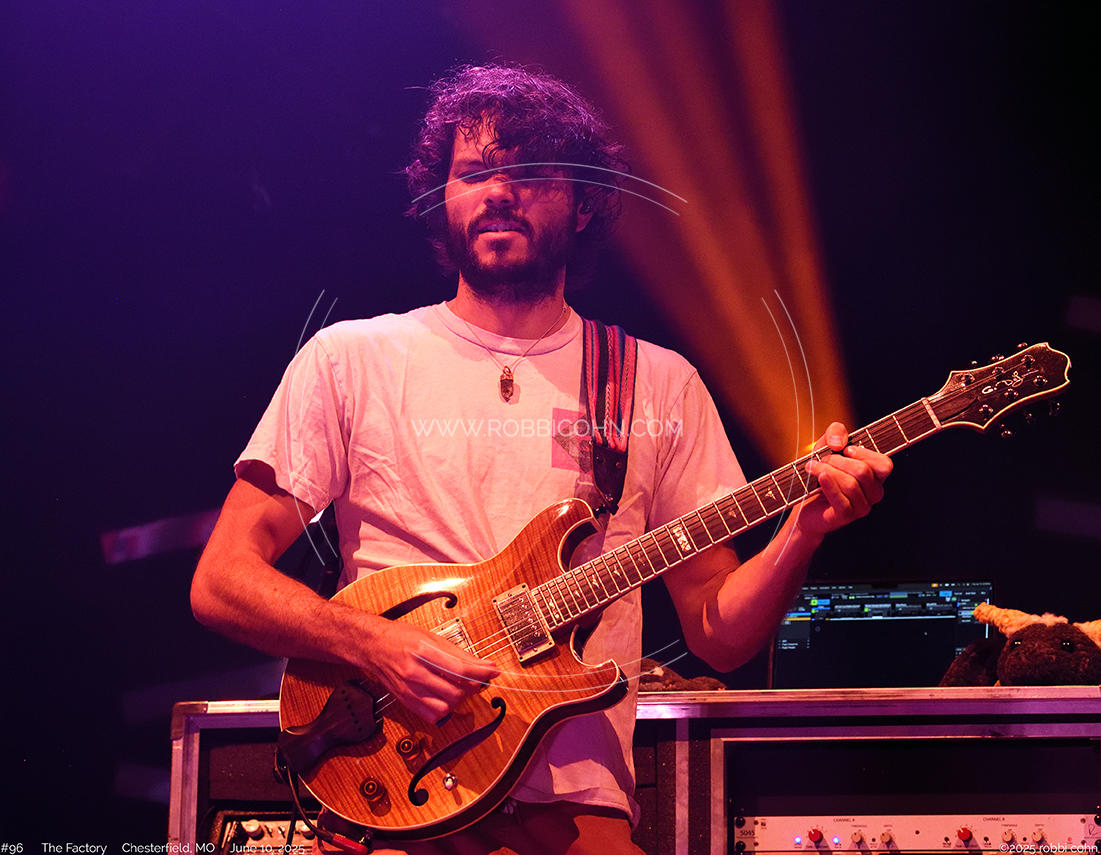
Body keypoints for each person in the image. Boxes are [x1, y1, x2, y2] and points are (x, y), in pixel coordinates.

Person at [190, 64, 892, 855]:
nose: (498, 192)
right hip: (388, 798)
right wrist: (370, 644)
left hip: (575, 813)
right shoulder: (350, 359)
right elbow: (222, 579)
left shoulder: (655, 382)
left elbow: (717, 634)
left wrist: (800, 532)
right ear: (441, 196)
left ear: (583, 200)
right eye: (472, 172)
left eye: (528, 172)